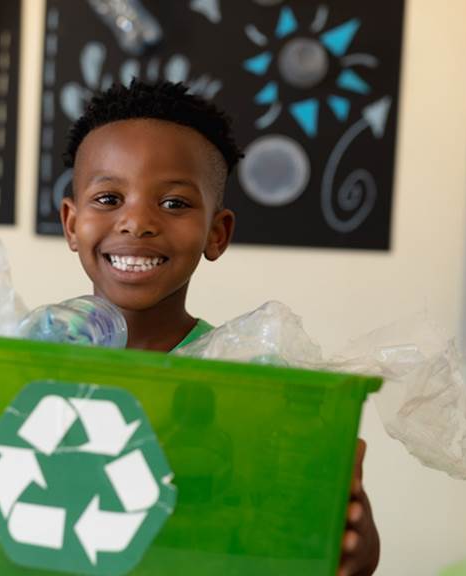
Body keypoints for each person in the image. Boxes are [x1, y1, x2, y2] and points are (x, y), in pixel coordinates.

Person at [59, 79, 380, 575]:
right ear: (70, 224)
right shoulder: (27, 358)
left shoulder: (251, 377)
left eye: (173, 204)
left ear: (217, 232)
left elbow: (300, 533)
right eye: (108, 199)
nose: (136, 222)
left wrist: (355, 549)